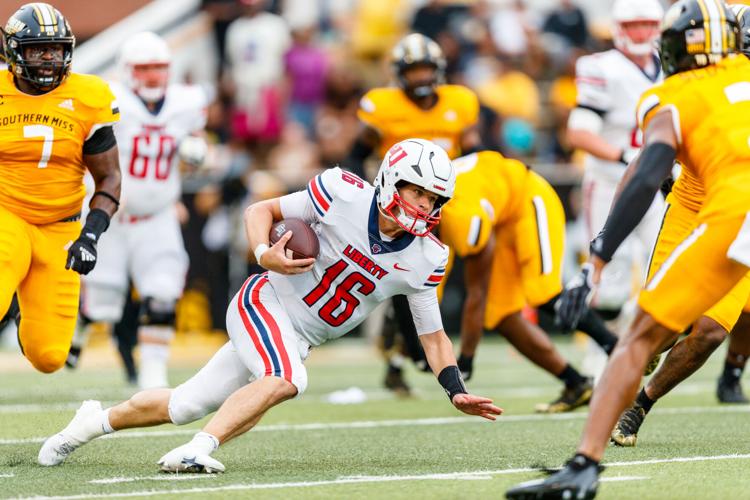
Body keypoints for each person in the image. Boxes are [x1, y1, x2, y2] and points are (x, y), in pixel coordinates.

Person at [38, 139, 502, 473]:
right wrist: (265, 255)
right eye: (417, 191)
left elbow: (433, 335)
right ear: (389, 181)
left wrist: (454, 389)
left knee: (184, 403)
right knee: (286, 378)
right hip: (264, 301)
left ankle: (86, 425)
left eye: (433, 198)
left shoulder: (428, 256)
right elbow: (259, 212)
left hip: (298, 336)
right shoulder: (341, 191)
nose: (424, 205)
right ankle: (199, 449)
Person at [507, 2, 748, 497]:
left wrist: (597, 258)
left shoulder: (671, 95)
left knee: (642, 334)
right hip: (710, 203)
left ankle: (583, 466)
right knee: (676, 331)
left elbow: (644, 176)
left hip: (734, 212)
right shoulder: (742, 68)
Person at [609, 2, 750, 446]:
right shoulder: (711, 68)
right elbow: (666, 131)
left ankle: (639, 406)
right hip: (693, 201)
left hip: (742, 216)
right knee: (665, 322)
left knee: (708, 331)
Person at [64, 31, 210, 389]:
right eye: (145, 68)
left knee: (163, 292)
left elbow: (199, 142)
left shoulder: (185, 102)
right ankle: (81, 326)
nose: (153, 76)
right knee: (105, 301)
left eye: (160, 67)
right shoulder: (109, 100)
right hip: (113, 215)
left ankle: (153, 374)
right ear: (127, 70)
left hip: (157, 214)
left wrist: (199, 152)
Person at [347, 32, 481, 393]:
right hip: (400, 205)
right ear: (399, 73)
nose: (421, 77)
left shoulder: (460, 101)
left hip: (447, 203)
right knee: (413, 279)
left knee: (442, 270)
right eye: (414, 70)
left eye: (426, 69)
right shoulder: (383, 105)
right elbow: (356, 153)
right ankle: (412, 354)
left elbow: (474, 153)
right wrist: (365, 194)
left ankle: (402, 356)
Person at [439, 151, 620, 413]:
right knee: (500, 315)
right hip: (501, 218)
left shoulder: (460, 217)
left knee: (542, 293)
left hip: (528, 198)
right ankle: (576, 383)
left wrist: (465, 359)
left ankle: (619, 349)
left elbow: (477, 291)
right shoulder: (438, 210)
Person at [0, 3, 121, 374]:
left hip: (60, 225)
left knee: (50, 357)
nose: (49, 58)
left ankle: (23, 315)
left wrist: (91, 235)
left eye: (56, 49)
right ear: (15, 51)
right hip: (7, 214)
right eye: (39, 49)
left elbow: (109, 178)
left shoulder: (88, 96)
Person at [564, 0, 665, 337]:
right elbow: (578, 132)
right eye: (635, 25)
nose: (642, 32)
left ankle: (638, 346)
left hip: (661, 186)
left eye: (648, 24)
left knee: (665, 269)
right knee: (609, 283)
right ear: (619, 29)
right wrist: (627, 155)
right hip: (611, 185)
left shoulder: (671, 64)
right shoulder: (601, 67)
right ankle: (603, 354)